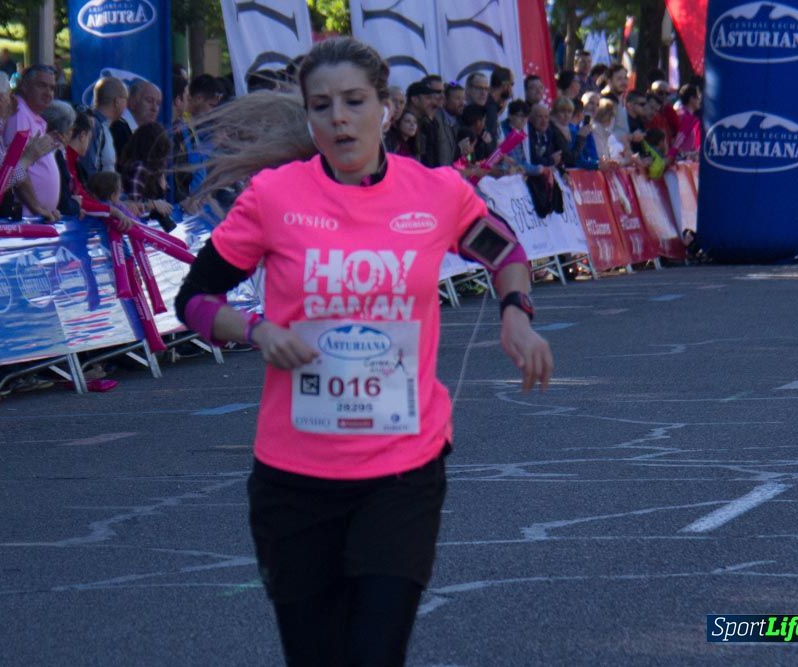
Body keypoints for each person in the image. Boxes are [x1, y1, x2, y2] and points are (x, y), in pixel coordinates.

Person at [173, 37, 552, 666]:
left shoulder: (435, 193)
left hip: (401, 471)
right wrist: (257, 329)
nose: (338, 118)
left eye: (354, 101)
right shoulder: (274, 197)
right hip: (294, 478)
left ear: (385, 107)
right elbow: (194, 298)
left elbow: (506, 252)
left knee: (375, 653)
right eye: (321, 106)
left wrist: (516, 315)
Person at [0, 71, 54, 214]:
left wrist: (38, 207)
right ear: (1, 99)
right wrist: (28, 157)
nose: (12, 98)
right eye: (9, 93)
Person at [6, 64, 61, 220]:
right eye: (42, 85)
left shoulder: (33, 116)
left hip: (37, 216)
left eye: (52, 88)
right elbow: (15, 167)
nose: (48, 93)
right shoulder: (19, 114)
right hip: (25, 217)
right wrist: (36, 207)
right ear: (24, 85)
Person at [118, 122, 175, 228]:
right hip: (137, 226)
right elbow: (133, 204)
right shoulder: (139, 169)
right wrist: (153, 204)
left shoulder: (155, 171)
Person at [111, 80, 163, 159]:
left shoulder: (147, 132)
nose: (154, 108)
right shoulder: (118, 129)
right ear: (132, 102)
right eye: (149, 100)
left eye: (158, 103)